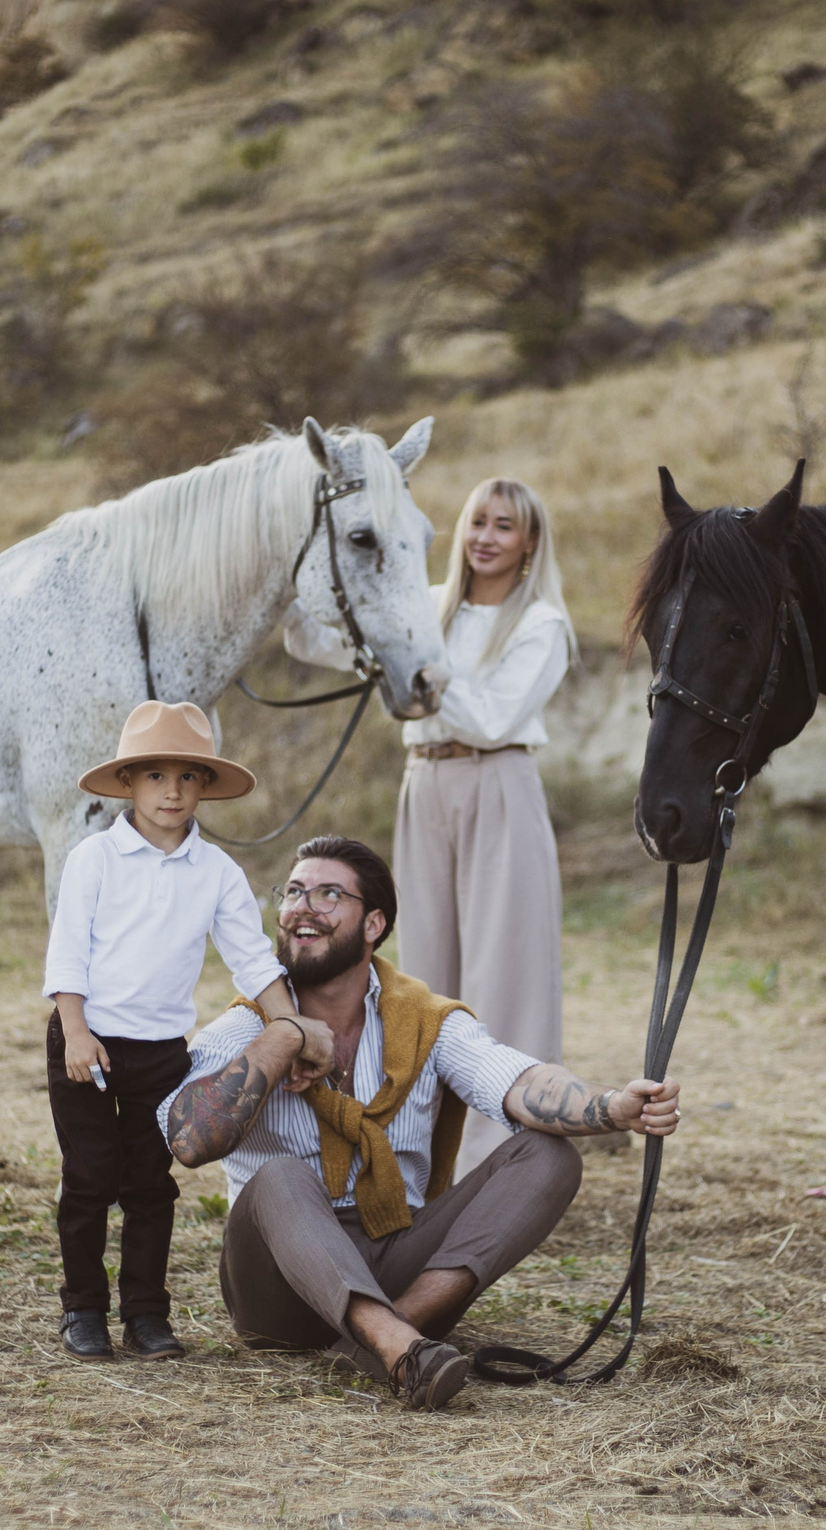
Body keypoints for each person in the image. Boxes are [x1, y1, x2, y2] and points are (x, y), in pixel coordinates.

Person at [158, 835, 680, 1412]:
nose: (303, 907)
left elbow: (516, 1081)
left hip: (394, 1256)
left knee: (549, 1155)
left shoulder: (423, 1019)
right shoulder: (248, 1026)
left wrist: (613, 1108)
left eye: (329, 894)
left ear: (374, 923)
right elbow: (188, 1140)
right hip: (279, 1291)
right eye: (294, 892)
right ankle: (393, 1342)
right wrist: (286, 1036)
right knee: (279, 1176)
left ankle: (393, 1330)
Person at [42, 702, 329, 1364]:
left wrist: (290, 1027)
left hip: (161, 1053)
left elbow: (253, 960)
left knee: (150, 1182)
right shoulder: (94, 859)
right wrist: (76, 1029)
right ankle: (83, 1308)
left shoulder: (217, 873)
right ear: (128, 785)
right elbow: (67, 953)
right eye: (153, 776)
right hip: (85, 1039)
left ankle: (146, 1313)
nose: (170, 792)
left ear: (203, 786)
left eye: (186, 777)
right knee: (89, 1175)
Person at [393, 478, 577, 1176]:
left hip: (498, 780)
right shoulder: (428, 609)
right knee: (423, 970)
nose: (486, 537)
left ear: (529, 541)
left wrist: (424, 670)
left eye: (505, 525)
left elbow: (496, 716)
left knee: (506, 972)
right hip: (424, 783)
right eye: (477, 522)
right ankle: (420, 1155)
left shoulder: (542, 625)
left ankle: (503, 1160)